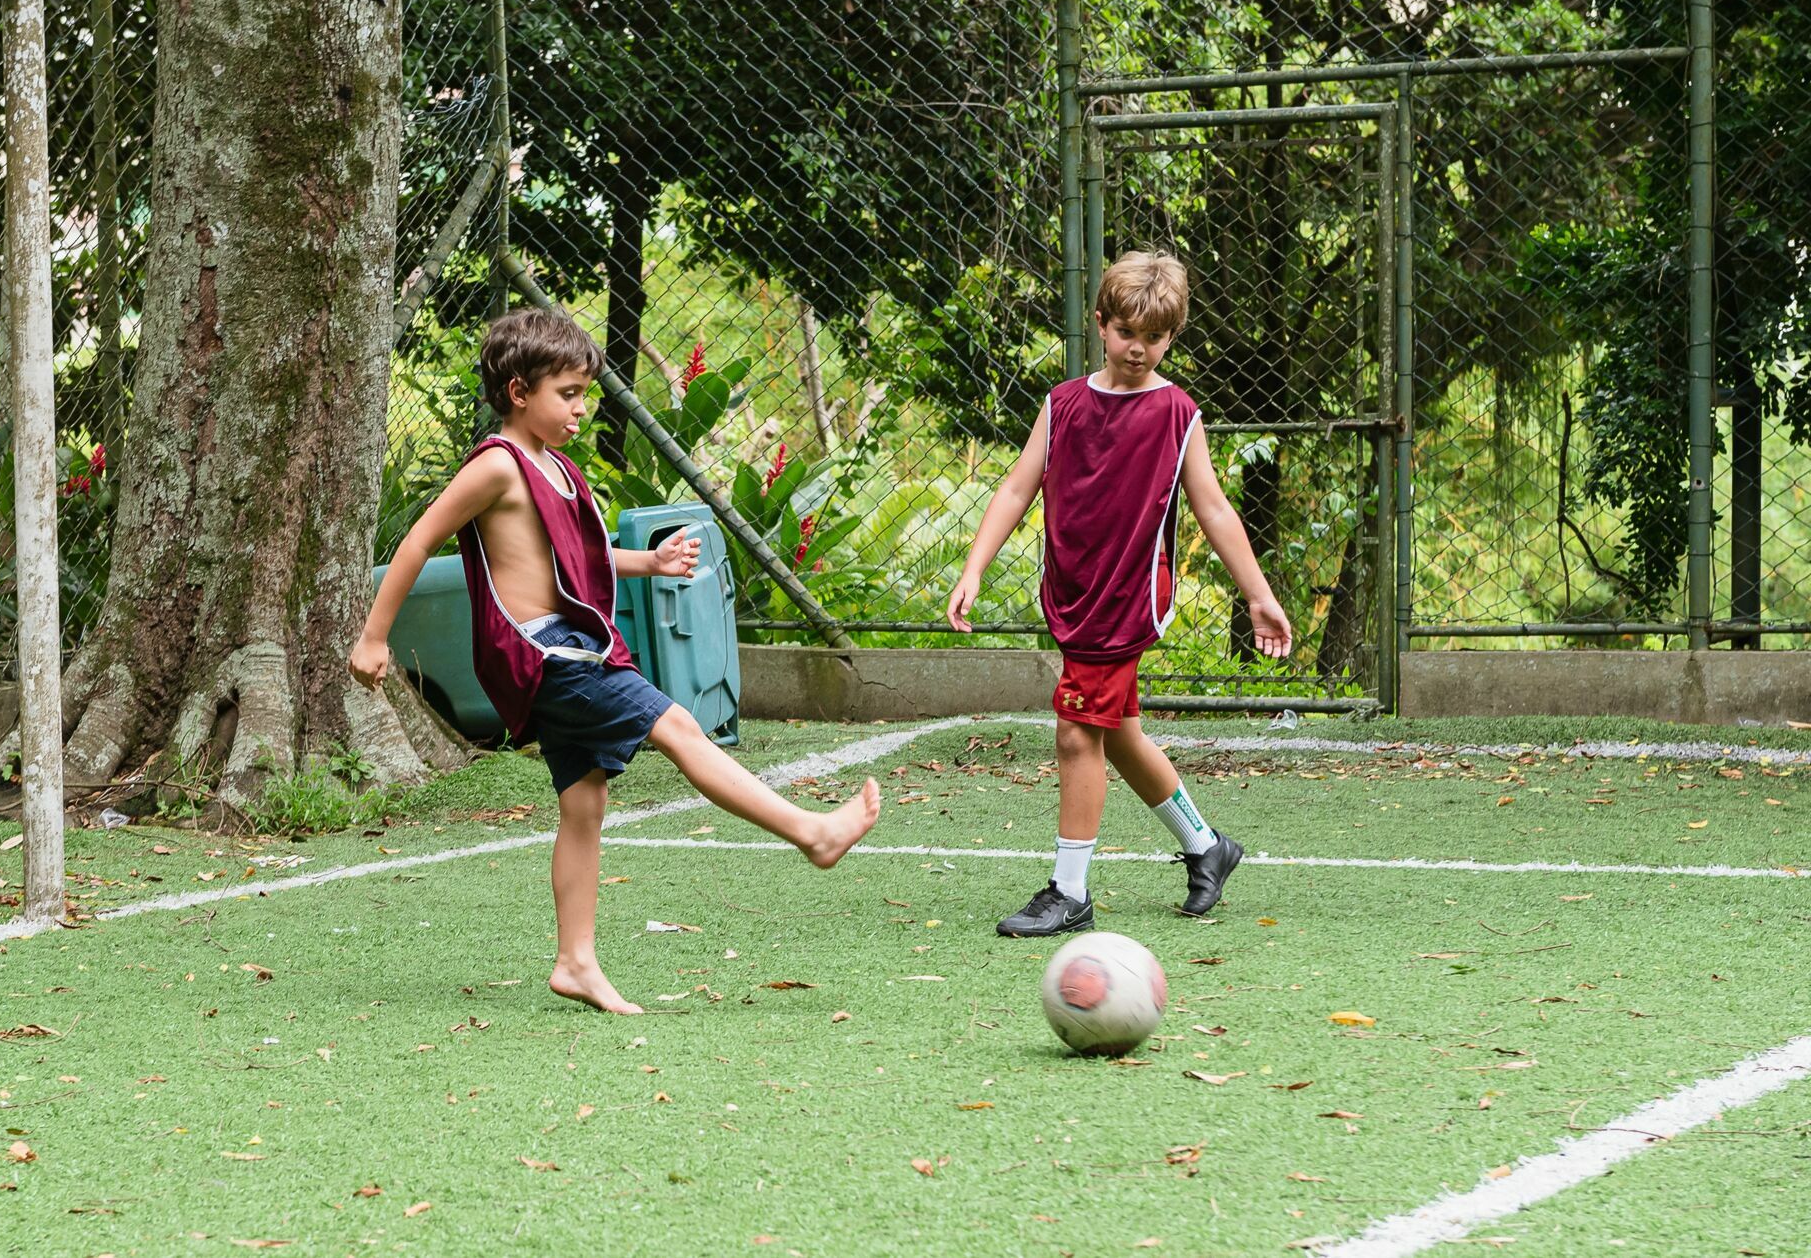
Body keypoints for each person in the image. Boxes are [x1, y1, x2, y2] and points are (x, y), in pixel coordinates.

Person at [351, 309, 880, 1012]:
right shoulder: (497, 467)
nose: (580, 407)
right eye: (567, 393)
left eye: (582, 393)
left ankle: (575, 961)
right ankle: (811, 833)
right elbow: (419, 541)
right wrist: (373, 636)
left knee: (584, 805)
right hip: (549, 660)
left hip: (572, 649)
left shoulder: (556, 468)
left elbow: (579, 556)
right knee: (682, 729)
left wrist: (652, 562)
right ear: (518, 392)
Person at [946, 250, 1292, 937]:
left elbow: (1216, 509)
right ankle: (1206, 847)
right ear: (1101, 325)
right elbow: (1018, 486)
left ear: (1173, 336)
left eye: (1157, 337)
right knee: (1119, 733)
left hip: (1128, 597)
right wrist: (974, 567)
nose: (1140, 349)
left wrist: (1257, 593)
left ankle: (1069, 892)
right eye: (1128, 333)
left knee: (1077, 734)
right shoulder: (1064, 404)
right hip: (1075, 588)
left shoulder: (1176, 413)